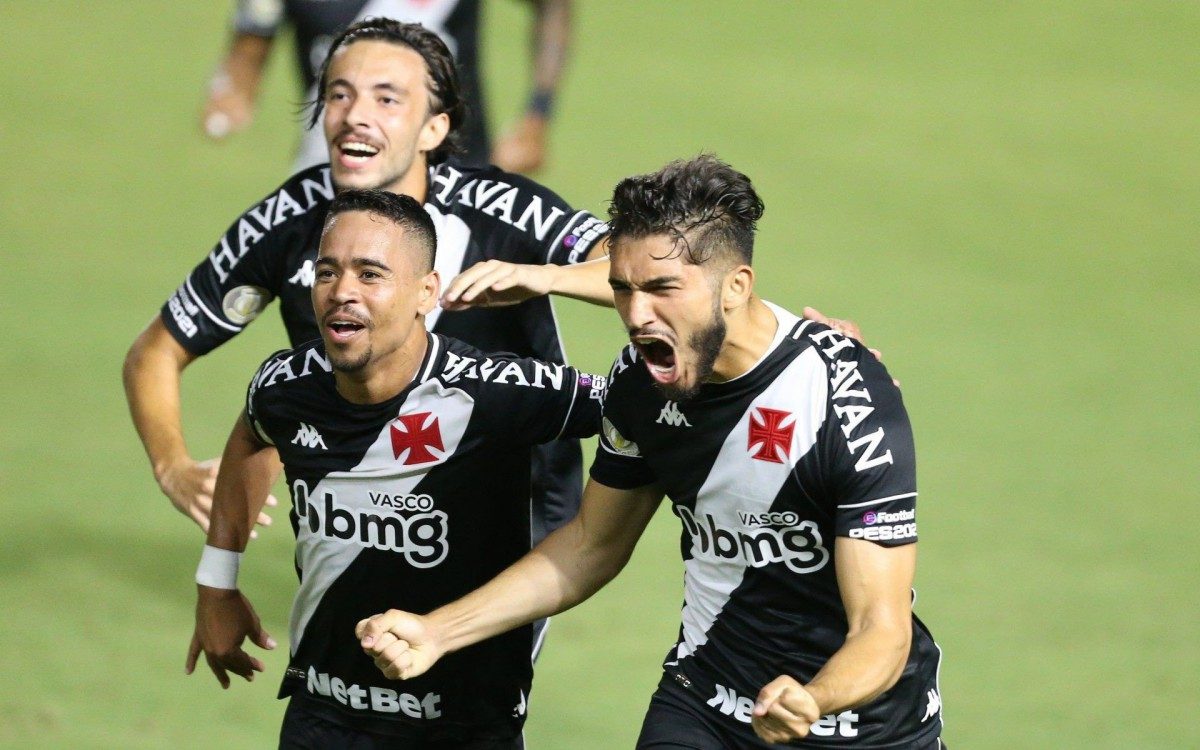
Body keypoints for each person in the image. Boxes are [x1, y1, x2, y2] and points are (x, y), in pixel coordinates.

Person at [356, 155, 946, 748]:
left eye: (663, 288)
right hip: (706, 700)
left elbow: (882, 628)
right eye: (622, 289)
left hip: (863, 726)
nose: (637, 316)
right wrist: (438, 631)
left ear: (736, 286)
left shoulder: (844, 397)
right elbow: (592, 543)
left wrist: (813, 698)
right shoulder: (639, 385)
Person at [125, 19, 611, 546]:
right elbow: (156, 350)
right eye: (339, 94)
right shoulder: (287, 221)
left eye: (386, 100)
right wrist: (172, 466)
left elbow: (638, 271)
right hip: (363, 509)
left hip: (510, 507)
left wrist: (545, 277)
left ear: (434, 129)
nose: (355, 116)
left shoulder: (502, 209)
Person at [186, 188, 605, 748]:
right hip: (321, 716)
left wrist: (555, 279)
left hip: (463, 728)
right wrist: (217, 582)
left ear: (425, 292)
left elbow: (647, 400)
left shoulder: (496, 392)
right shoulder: (286, 386)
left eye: (370, 274)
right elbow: (253, 431)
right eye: (327, 272)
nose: (342, 293)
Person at [202, 0, 571, 174]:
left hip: (454, 174)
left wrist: (536, 117)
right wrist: (232, 95)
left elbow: (553, 6)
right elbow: (250, 43)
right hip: (336, 172)